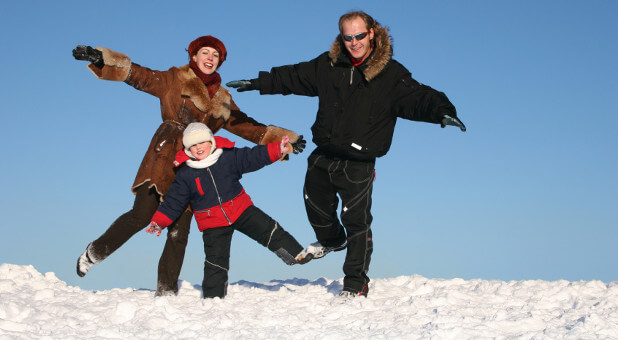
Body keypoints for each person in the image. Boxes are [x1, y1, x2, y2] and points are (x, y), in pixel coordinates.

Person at [226, 11, 466, 299]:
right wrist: (259, 83)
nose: (354, 43)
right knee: (314, 204)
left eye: (359, 36)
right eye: (348, 37)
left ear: (372, 33)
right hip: (324, 152)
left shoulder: (391, 74)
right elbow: (295, 76)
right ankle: (331, 240)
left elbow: (419, 97)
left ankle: (354, 284)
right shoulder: (329, 65)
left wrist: (442, 111)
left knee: (356, 221)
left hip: (359, 162)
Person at [72, 35, 306, 296]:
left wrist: (285, 141)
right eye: (205, 53)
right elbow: (142, 76)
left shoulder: (223, 99)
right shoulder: (174, 78)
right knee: (141, 215)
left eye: (215, 55)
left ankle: (166, 292)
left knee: (179, 233)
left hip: (195, 166)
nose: (210, 58)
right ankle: (94, 253)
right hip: (163, 157)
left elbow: (245, 125)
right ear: (194, 56)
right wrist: (104, 59)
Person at [145, 122, 311, 298]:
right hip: (212, 222)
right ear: (187, 149)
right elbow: (174, 201)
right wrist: (159, 221)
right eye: (193, 145)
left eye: (202, 142)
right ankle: (213, 298)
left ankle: (295, 254)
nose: (198, 148)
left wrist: (279, 149)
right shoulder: (185, 174)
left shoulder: (227, 157)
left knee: (269, 229)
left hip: (240, 208)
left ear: (211, 141)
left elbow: (252, 157)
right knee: (215, 262)